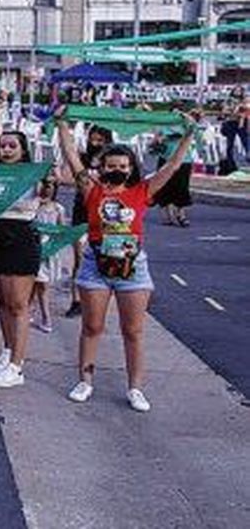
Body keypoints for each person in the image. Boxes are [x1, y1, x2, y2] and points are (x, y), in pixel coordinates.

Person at [58, 111, 193, 413]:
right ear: (102, 167)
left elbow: (172, 166)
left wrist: (188, 134)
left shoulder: (141, 191)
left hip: (133, 267)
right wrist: (62, 124)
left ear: (131, 168)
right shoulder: (92, 190)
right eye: (111, 166)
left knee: (133, 331)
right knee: (92, 326)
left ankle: (135, 388)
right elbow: (71, 157)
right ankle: (85, 380)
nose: (116, 170)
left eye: (122, 166)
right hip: (96, 264)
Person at [0, 130, 46, 390]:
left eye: (11, 145)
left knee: (18, 304)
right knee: (2, 300)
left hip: (20, 237)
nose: (6, 150)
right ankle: (8, 350)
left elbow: (57, 183)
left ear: (22, 149)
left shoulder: (34, 174)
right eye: (2, 145)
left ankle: (17, 365)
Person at [64, 125, 114, 319]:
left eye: (100, 140)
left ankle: (99, 300)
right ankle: (76, 300)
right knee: (79, 257)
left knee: (106, 257)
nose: (95, 144)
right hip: (82, 211)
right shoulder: (83, 158)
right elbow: (67, 176)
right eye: (93, 139)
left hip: (105, 213)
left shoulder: (113, 162)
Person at [30, 175, 67, 335]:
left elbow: (62, 230)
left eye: (51, 185)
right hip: (34, 249)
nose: (47, 188)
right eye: (45, 184)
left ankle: (37, 314)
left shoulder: (58, 208)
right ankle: (44, 317)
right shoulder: (33, 205)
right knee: (37, 284)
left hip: (48, 251)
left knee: (41, 285)